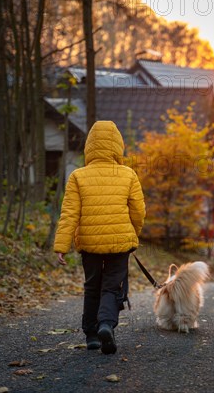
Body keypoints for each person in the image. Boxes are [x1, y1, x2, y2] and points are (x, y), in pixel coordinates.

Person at [54, 120, 146, 355]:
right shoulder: (128, 174)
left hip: (90, 243)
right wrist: (133, 233)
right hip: (119, 243)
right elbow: (138, 210)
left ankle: (91, 335)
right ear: (118, 145)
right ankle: (106, 324)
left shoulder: (78, 176)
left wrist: (61, 245)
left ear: (90, 146)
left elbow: (70, 213)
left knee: (92, 285)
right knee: (113, 286)